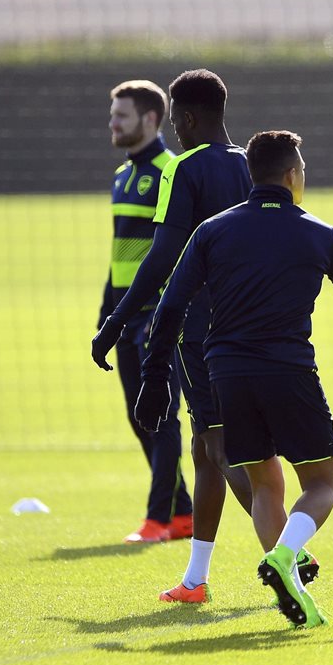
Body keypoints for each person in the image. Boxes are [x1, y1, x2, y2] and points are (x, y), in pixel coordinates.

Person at [134, 130, 333, 628]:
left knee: (266, 485)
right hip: (288, 370)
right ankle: (285, 558)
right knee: (322, 483)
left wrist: (155, 375)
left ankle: (295, 593)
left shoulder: (212, 232)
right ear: (292, 176)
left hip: (226, 375)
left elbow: (171, 303)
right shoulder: (320, 233)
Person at [91, 69, 303, 604]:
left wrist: (116, 321)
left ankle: (287, 553)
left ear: (184, 119)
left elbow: (162, 255)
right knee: (204, 453)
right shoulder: (248, 165)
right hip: (251, 324)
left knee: (219, 445)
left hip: (201, 330)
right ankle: (195, 579)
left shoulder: (183, 168)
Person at [102, 80, 193, 544]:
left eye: (122, 115)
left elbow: (170, 252)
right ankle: (181, 513)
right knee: (138, 416)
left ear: (151, 119)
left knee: (160, 414)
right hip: (125, 315)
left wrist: (161, 311)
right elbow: (122, 254)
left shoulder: (169, 171)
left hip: (158, 314)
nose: (113, 122)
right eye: (113, 113)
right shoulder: (122, 175)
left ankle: (158, 521)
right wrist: (107, 314)